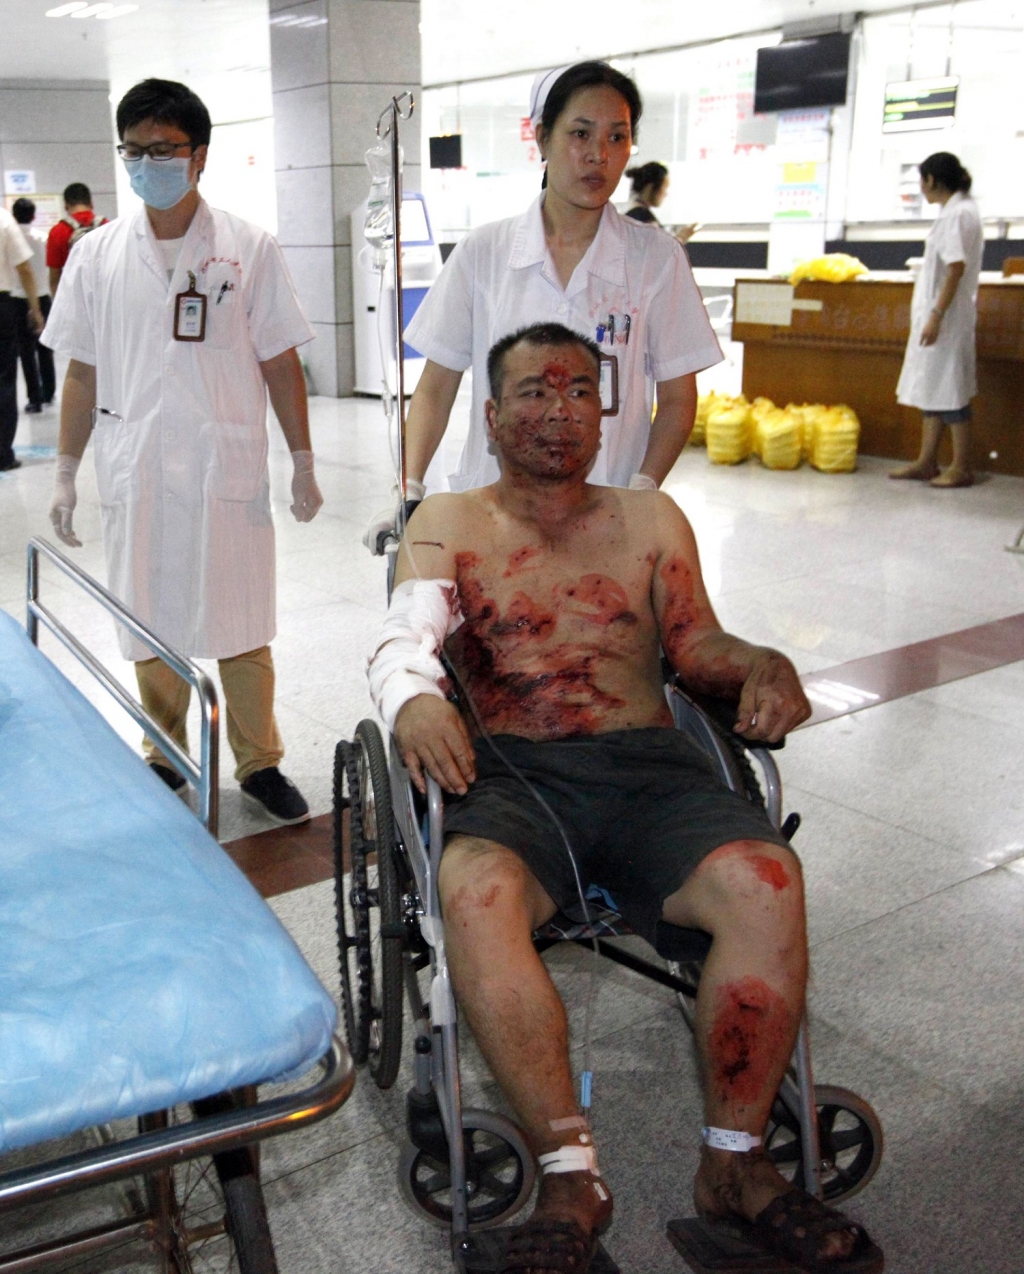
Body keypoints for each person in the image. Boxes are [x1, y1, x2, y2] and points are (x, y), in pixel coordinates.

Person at [368, 323, 883, 1274]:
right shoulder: (450, 519)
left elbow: (696, 649)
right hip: (511, 778)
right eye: (531, 391)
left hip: (649, 771)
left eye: (576, 391)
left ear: (605, 413)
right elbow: (407, 632)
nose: (556, 410)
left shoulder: (651, 522)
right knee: (474, 893)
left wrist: (766, 663)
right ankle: (570, 1174)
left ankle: (735, 1164)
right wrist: (409, 699)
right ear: (491, 414)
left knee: (768, 879)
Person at [42, 78, 323, 825]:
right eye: (133, 151)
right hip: (136, 463)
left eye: (162, 149)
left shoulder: (247, 248)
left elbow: (279, 362)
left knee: (241, 619)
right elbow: (79, 370)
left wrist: (303, 457)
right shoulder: (97, 255)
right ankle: (164, 755)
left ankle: (259, 763)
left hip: (219, 465)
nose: (146, 164)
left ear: (199, 156)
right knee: (145, 613)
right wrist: (67, 471)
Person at [364, 60, 721, 553]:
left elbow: (679, 399)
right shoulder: (484, 253)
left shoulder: (657, 260)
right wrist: (410, 489)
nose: (599, 155)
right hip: (491, 514)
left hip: (608, 512)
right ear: (543, 139)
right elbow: (435, 388)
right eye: (581, 133)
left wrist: (643, 488)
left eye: (618, 138)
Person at [891, 152, 982, 489]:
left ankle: (960, 467)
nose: (922, 188)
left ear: (932, 180)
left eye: (922, 181)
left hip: (945, 317)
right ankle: (927, 461)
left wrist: (936, 315)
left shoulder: (956, 215)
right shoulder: (961, 210)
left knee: (950, 390)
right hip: (946, 316)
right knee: (934, 388)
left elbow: (955, 267)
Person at [0, 204, 44, 471]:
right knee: (4, 379)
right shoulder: (4, 220)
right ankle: (2, 454)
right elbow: (24, 268)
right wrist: (35, 307)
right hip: (1, 304)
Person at [10, 198, 55, 414]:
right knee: (46, 347)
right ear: (34, 215)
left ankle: (34, 398)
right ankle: (49, 391)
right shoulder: (42, 238)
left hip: (18, 300)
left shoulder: (11, 238)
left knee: (25, 352)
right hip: (43, 297)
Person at [46, 181, 108, 300]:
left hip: (74, 298)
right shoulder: (107, 226)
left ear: (66, 206)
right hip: (104, 295)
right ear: (91, 203)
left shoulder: (57, 231)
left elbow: (54, 277)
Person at [623, 159, 698, 244]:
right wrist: (681, 237)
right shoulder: (644, 218)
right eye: (664, 187)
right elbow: (658, 253)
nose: (666, 194)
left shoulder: (632, 216)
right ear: (651, 188)